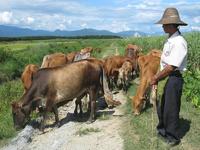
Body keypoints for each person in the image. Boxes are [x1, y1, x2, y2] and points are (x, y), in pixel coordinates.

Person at [150, 7, 188, 146]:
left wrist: (155, 77)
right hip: (169, 77)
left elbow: (171, 66)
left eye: (164, 24)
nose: (163, 26)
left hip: (174, 77)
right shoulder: (171, 40)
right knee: (164, 105)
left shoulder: (179, 42)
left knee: (171, 108)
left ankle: (173, 137)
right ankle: (162, 130)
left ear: (171, 25)